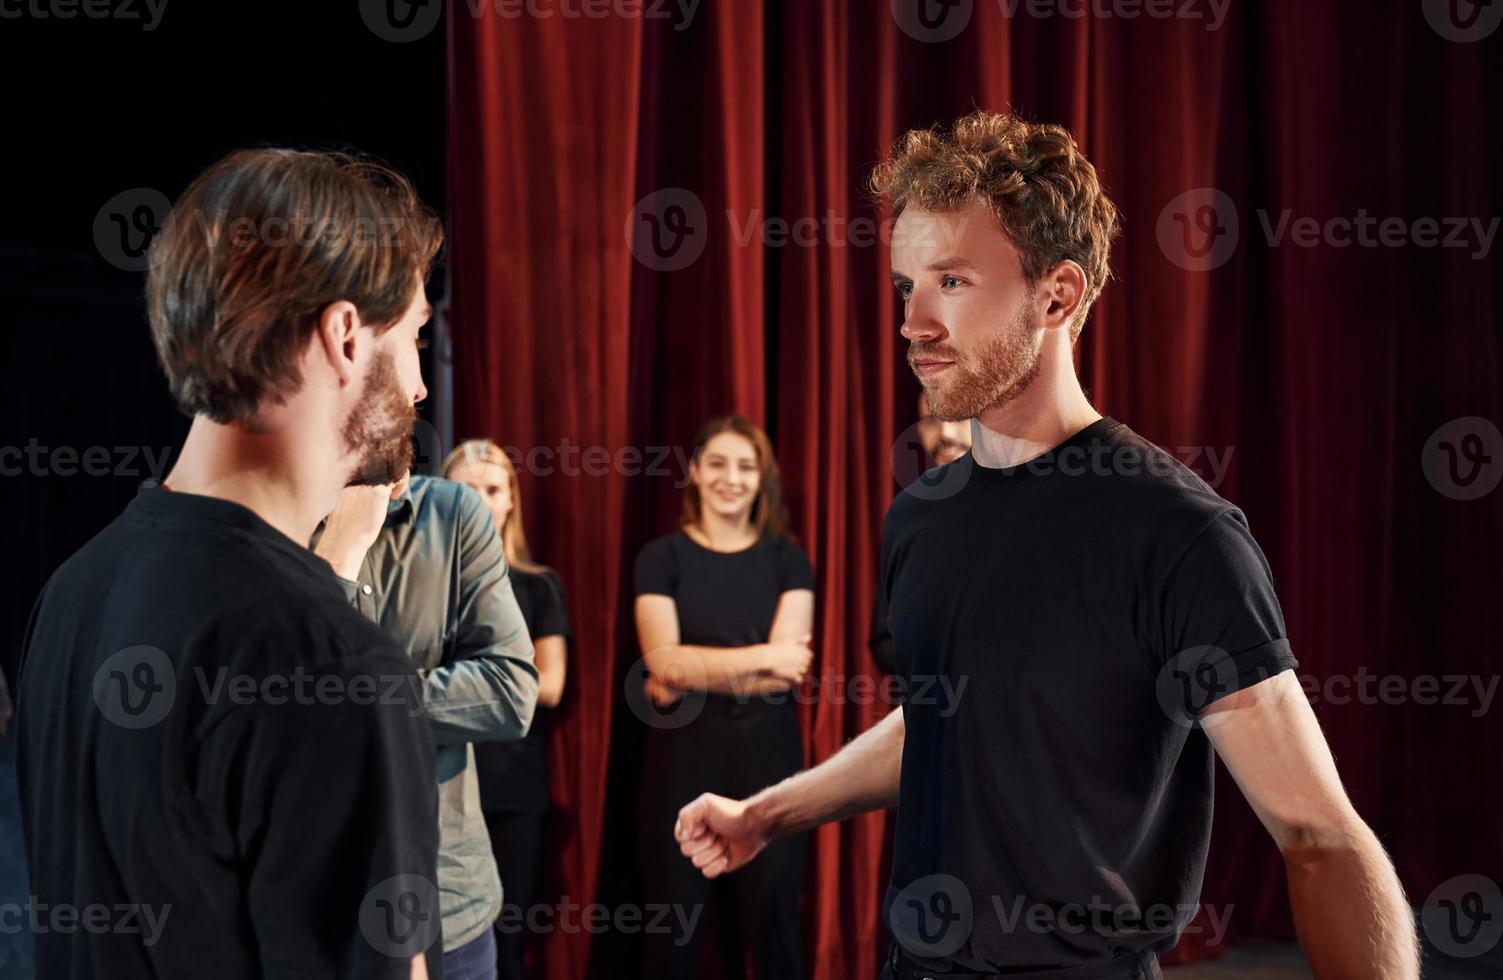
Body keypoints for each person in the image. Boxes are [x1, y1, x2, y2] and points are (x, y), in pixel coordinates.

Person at [673, 112, 1419, 979]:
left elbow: (1318, 837)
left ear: (1057, 295)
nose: (912, 322)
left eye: (950, 281)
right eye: (903, 286)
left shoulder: (1176, 533)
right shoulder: (918, 517)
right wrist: (767, 814)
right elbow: (949, 718)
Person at [16, 148, 445, 978]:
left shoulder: (71, 592)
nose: (423, 385)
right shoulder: (334, 663)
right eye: (417, 335)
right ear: (346, 336)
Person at [313, 464, 540, 980]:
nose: (417, 391)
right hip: (320, 906)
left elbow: (510, 693)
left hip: (451, 901)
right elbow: (272, 717)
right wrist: (339, 555)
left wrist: (347, 699)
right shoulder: (271, 523)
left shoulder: (454, 515)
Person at [633, 415, 815, 979]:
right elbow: (664, 662)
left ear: (763, 479)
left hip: (771, 756)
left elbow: (790, 670)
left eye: (745, 466)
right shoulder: (661, 558)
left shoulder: (788, 560)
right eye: (717, 463)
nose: (730, 478)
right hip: (684, 755)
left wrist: (689, 669)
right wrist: (761, 657)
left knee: (777, 923)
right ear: (695, 473)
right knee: (675, 931)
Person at [442, 439, 573, 980]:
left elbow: (550, 685)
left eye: (492, 489)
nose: (479, 500)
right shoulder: (423, 580)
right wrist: (497, 678)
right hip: (440, 786)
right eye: (467, 488)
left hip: (513, 786)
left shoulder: (538, 585)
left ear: (511, 500)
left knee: (508, 941)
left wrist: (452, 683)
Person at [869, 391, 973, 675]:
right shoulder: (906, 520)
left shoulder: (1024, 508)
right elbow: (884, 641)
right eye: (931, 420)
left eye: (958, 417)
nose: (945, 433)